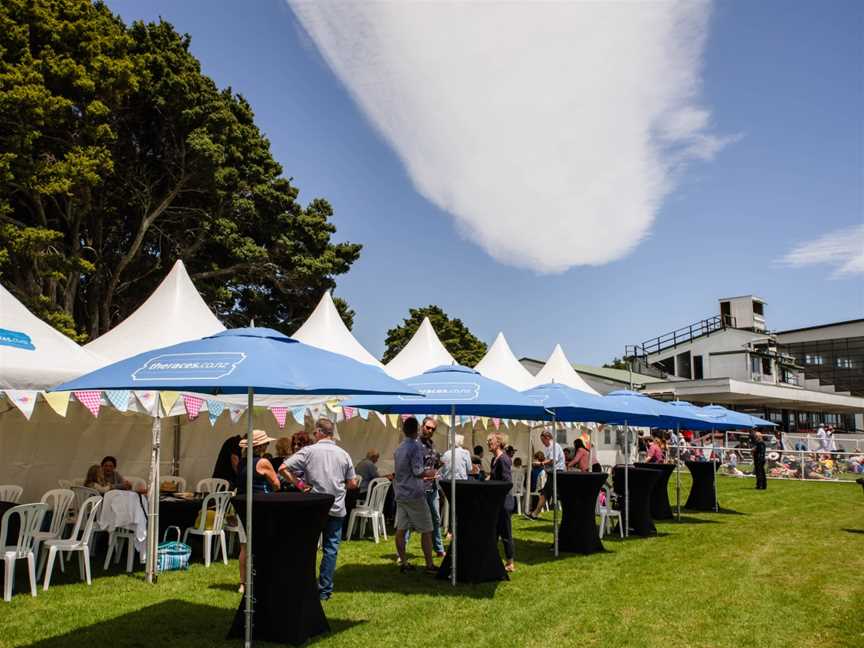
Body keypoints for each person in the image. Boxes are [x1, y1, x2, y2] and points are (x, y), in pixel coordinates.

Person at [281, 418, 356, 601]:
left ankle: (304, 584)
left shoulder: (308, 451)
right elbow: (352, 483)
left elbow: (283, 468)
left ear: (320, 432)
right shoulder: (343, 454)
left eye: (315, 433)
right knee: (331, 549)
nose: (314, 436)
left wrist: (300, 484)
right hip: (336, 506)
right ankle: (324, 590)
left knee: (308, 547)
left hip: (314, 505)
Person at [236, 429, 281, 594]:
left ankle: (243, 583)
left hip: (242, 505)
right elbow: (276, 484)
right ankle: (263, 579)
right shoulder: (263, 463)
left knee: (245, 547)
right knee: (264, 544)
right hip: (260, 505)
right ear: (262, 446)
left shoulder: (241, 462)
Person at [393, 417, 437, 574]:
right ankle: (429, 565)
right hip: (414, 494)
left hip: (401, 493)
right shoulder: (416, 447)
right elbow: (418, 471)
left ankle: (404, 562)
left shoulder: (399, 448)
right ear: (417, 429)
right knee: (427, 529)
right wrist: (431, 473)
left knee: (401, 530)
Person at [487, 431, 515, 572]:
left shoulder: (503, 459)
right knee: (494, 532)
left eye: (490, 440)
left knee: (505, 533)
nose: (488, 443)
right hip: (497, 501)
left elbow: (507, 482)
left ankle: (510, 562)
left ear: (498, 442)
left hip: (504, 502)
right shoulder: (494, 459)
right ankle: (493, 559)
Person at [419, 417, 445, 556]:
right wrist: (427, 474)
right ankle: (401, 554)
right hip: (419, 488)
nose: (429, 431)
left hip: (432, 487)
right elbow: (415, 468)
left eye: (433, 429)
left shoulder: (432, 445)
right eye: (428, 427)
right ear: (422, 426)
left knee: (435, 518)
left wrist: (440, 464)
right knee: (411, 521)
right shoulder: (415, 445)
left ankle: (439, 549)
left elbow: (434, 462)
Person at [526, 429, 565, 519]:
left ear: (547, 438)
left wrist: (540, 463)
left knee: (545, 493)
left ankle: (535, 514)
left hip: (557, 473)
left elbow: (552, 460)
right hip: (553, 473)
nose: (542, 442)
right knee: (546, 493)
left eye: (542, 440)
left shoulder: (554, 446)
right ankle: (535, 513)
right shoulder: (549, 447)